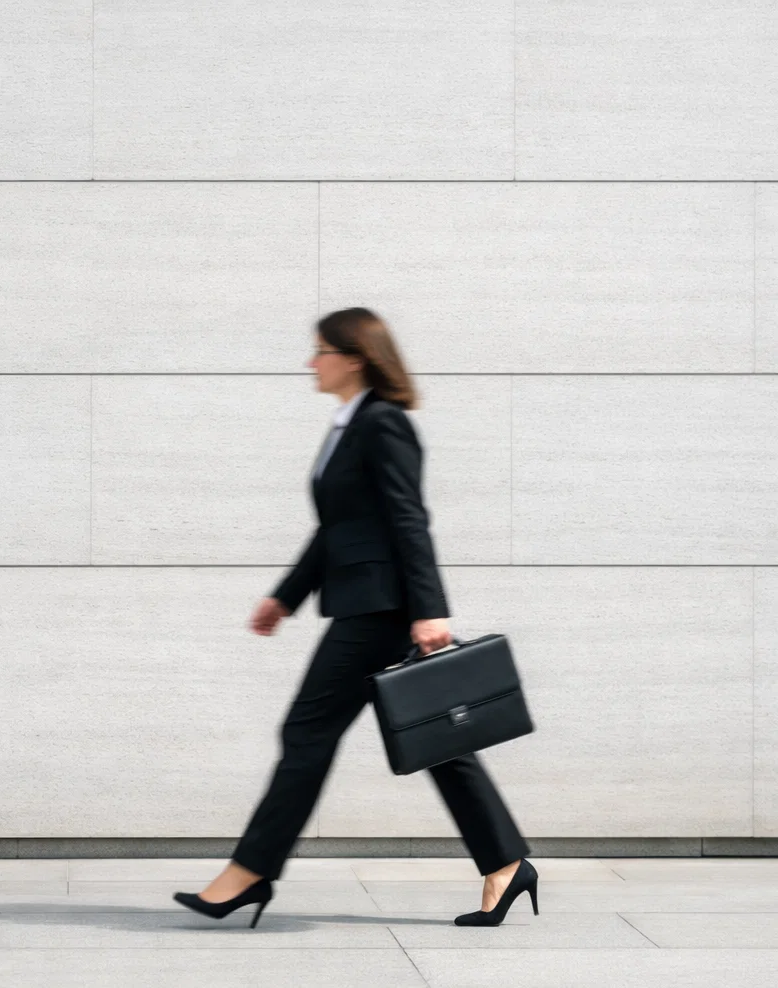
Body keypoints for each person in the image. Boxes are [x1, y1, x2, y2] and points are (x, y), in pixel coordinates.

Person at [173, 307, 536, 929]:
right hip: (368, 604)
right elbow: (338, 529)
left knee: (306, 733)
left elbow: (408, 519)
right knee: (438, 736)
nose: (309, 362)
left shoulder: (383, 424)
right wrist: (284, 597)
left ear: (355, 357)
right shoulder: (349, 425)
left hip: (380, 610)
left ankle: (252, 871)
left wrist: (429, 610)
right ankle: (506, 865)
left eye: (319, 351)